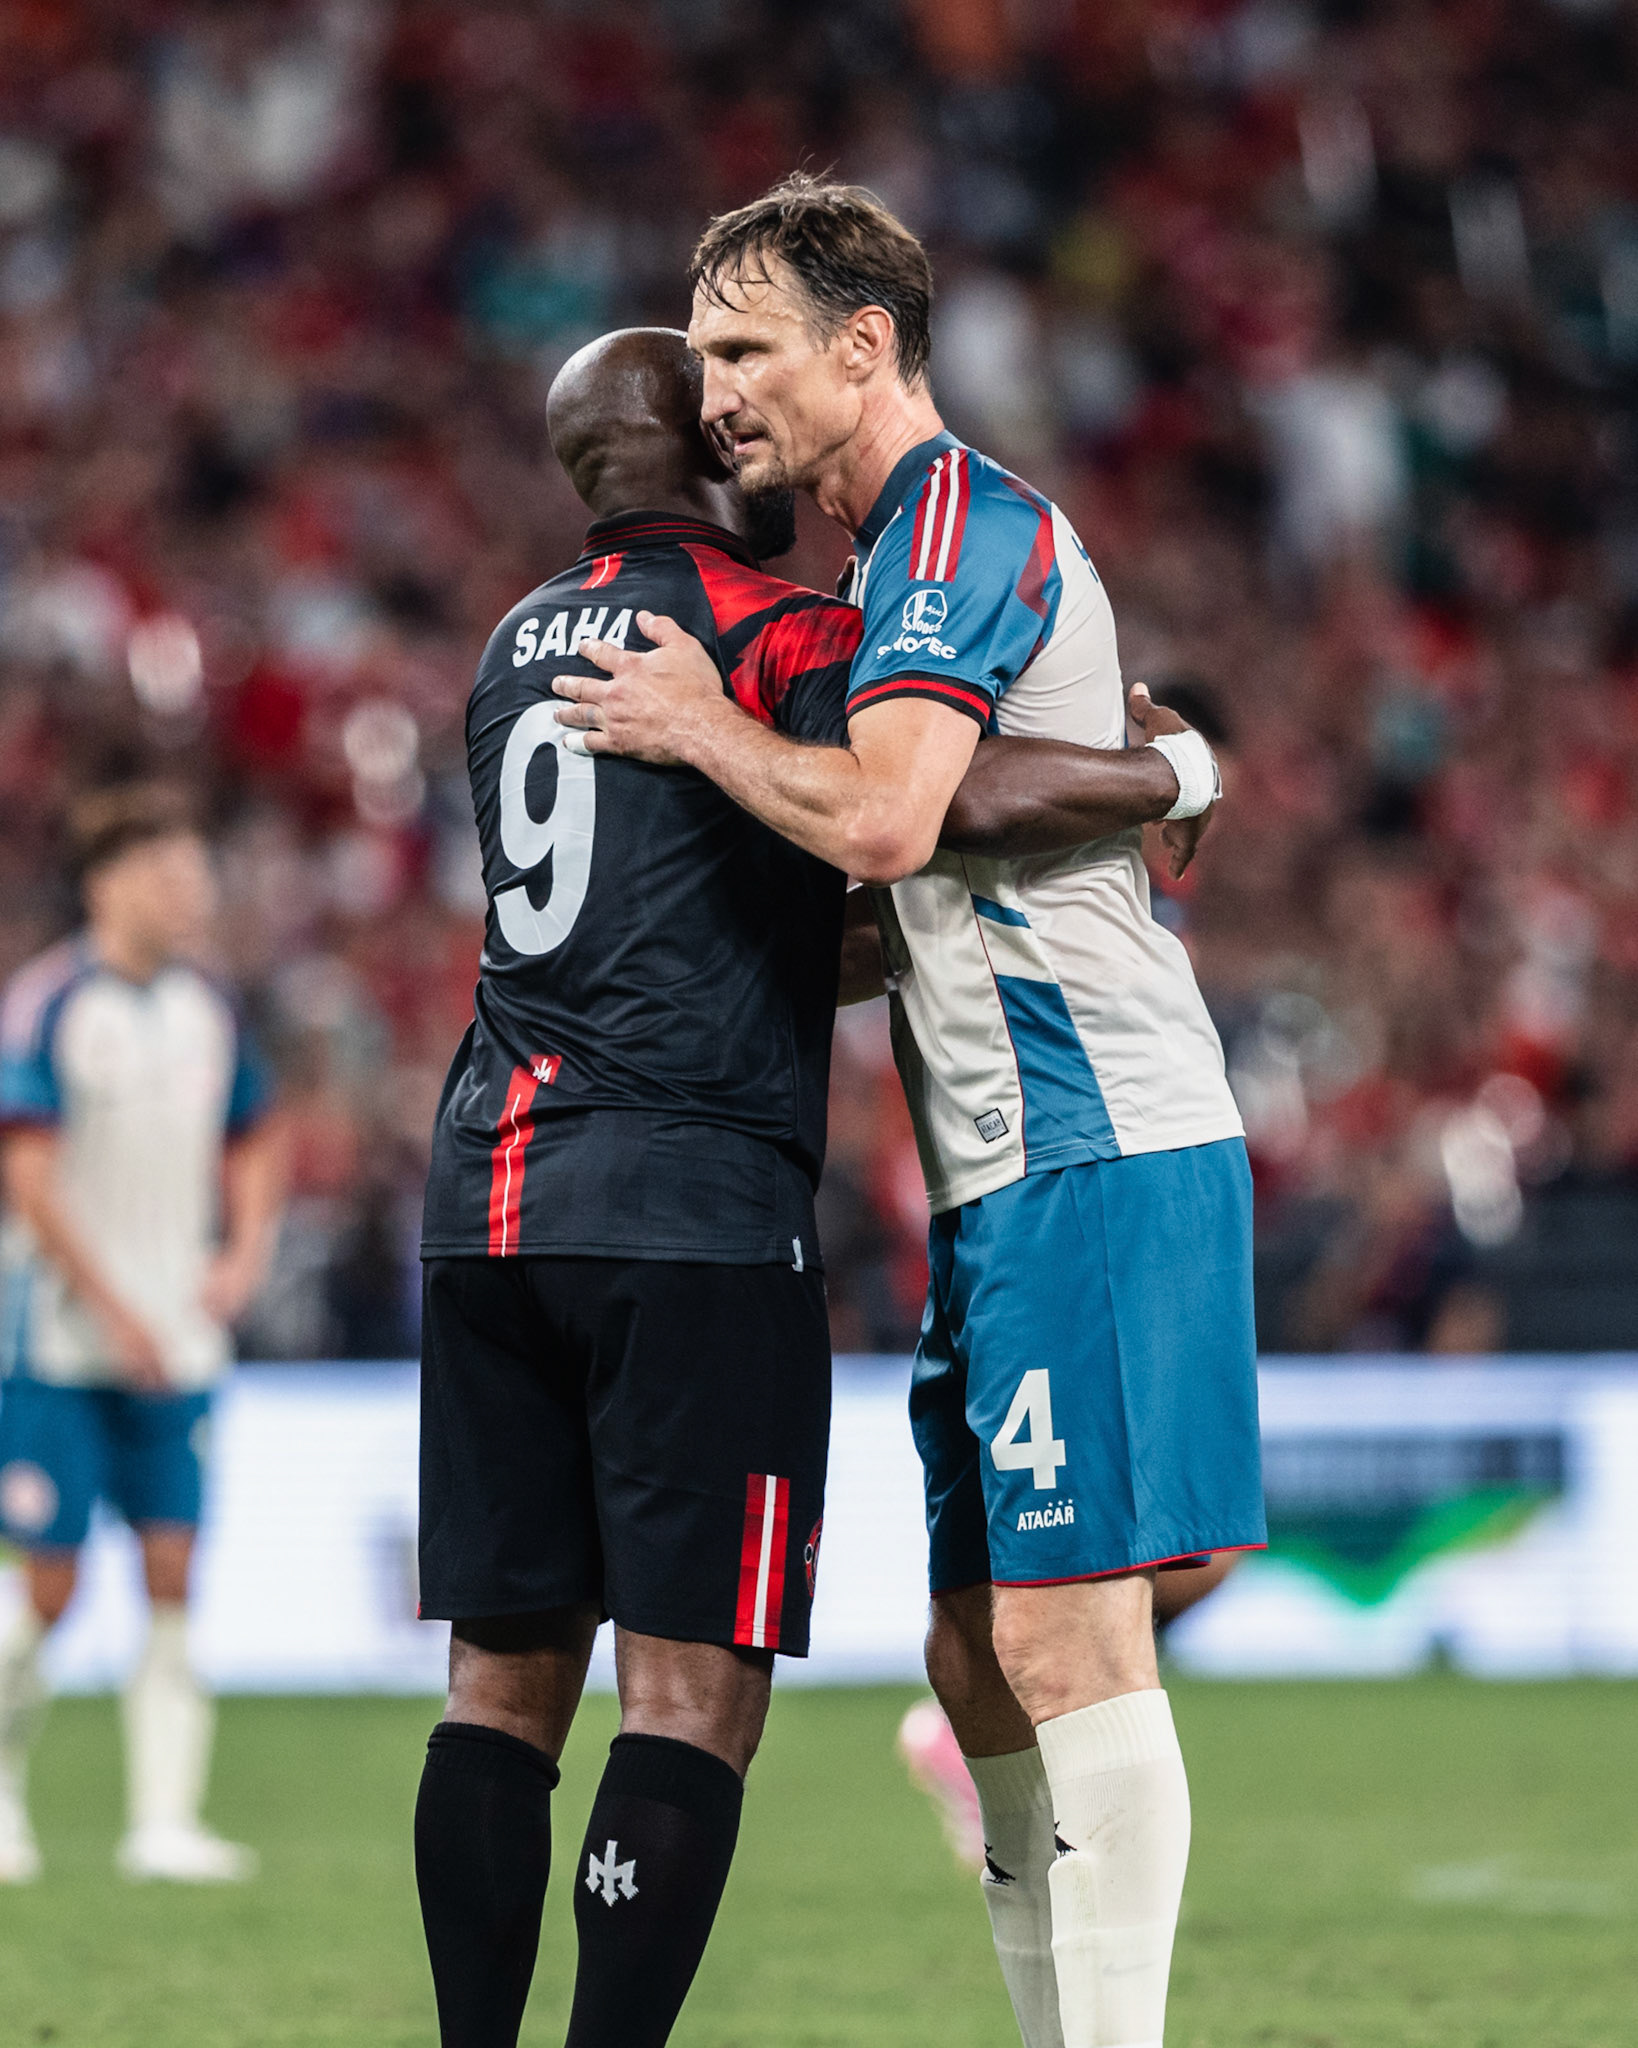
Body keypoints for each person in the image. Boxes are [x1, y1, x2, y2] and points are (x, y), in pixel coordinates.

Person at [413, 324, 1213, 2048]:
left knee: (496, 1683)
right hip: (689, 1210)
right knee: (686, 1695)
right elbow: (924, 801)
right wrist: (1169, 769)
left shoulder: (505, 648)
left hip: (486, 1200)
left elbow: (705, 916)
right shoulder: (775, 630)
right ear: (704, 452)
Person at [0, 784, 283, 1884]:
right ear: (108, 882)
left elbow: (255, 1134)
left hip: (179, 1346)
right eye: (169, 873)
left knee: (173, 1573)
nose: (190, 893)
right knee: (51, 1585)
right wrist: (118, 1311)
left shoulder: (210, 1006)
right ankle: (5, 1796)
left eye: (194, 873)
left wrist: (242, 1254)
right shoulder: (52, 1004)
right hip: (60, 1347)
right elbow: (27, 1177)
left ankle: (165, 1820)